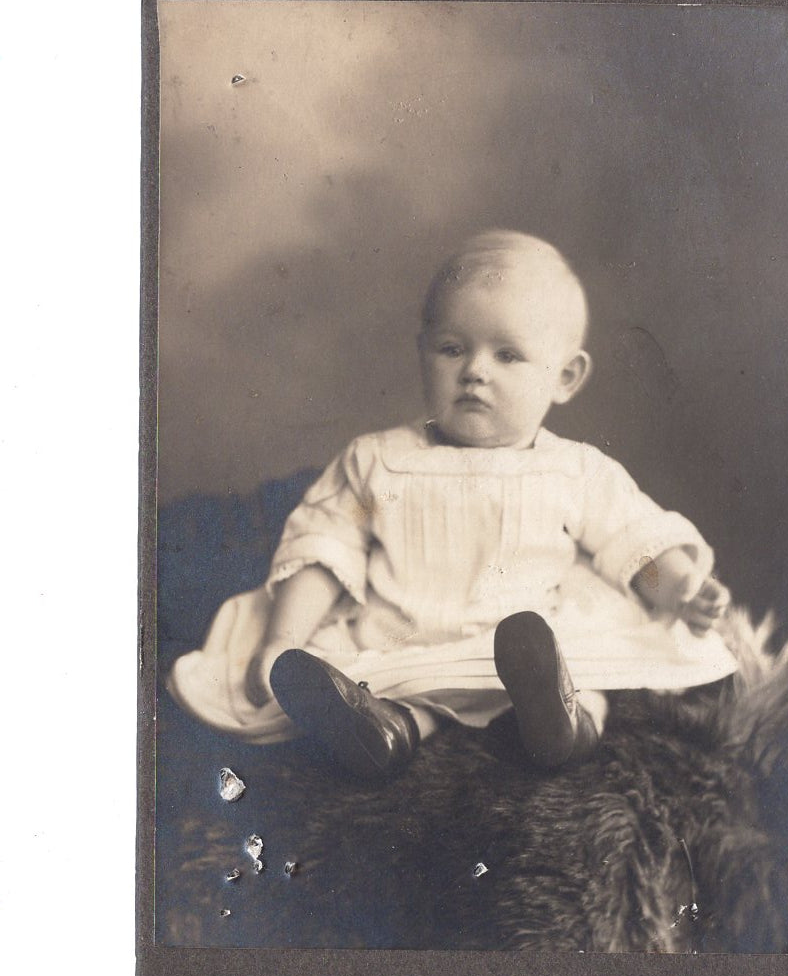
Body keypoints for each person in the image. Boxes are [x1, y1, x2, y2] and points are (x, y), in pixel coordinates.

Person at [168, 231, 735, 778]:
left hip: (528, 645)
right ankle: (382, 733)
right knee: (394, 689)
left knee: (579, 673)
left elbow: (634, 543)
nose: (475, 371)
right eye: (452, 349)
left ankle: (562, 724)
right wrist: (283, 640)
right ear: (423, 353)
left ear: (565, 376)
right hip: (404, 645)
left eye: (508, 355)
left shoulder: (575, 471)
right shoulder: (379, 460)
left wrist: (679, 586)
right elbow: (324, 546)